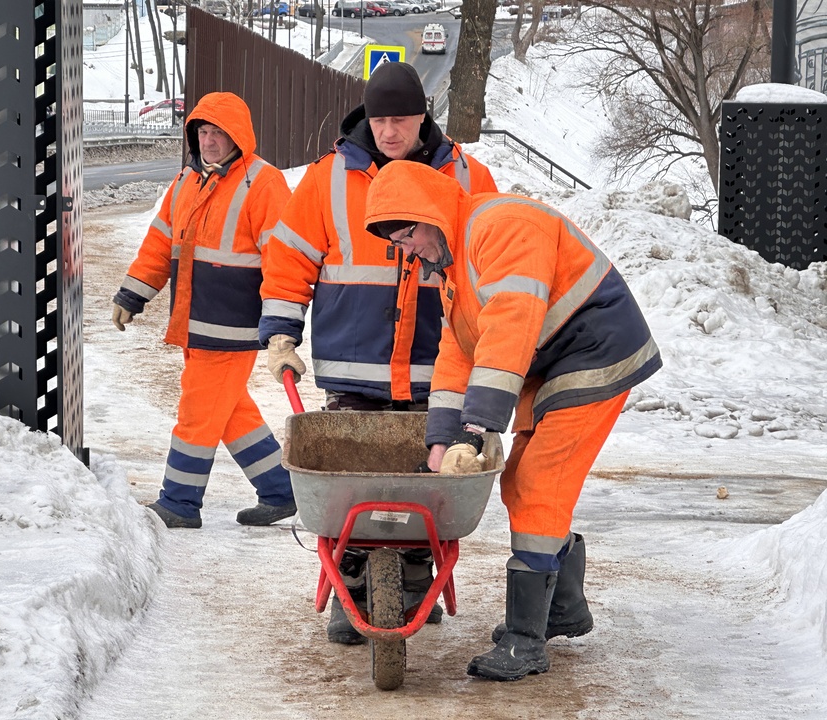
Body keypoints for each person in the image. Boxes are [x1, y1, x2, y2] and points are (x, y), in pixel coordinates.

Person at [364, 160, 663, 681]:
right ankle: (562, 610)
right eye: (397, 242)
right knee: (519, 484)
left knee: (538, 484)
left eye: (407, 234)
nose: (407, 250)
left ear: (431, 213)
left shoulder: (500, 227)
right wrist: (441, 440)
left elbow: (508, 331)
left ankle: (526, 641)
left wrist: (478, 427)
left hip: (594, 351)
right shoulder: (454, 264)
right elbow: (458, 353)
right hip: (555, 362)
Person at [258, 62, 499, 645]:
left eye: (402, 119)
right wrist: (282, 332)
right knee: (352, 489)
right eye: (381, 119)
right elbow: (291, 256)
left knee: (430, 475)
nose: (390, 131)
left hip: (436, 365)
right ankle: (352, 584)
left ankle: (418, 579)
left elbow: (489, 257)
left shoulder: (468, 175)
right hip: (353, 362)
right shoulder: (328, 177)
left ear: (424, 117)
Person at [111, 91, 296, 530]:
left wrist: (279, 324)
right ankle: (281, 489)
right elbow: (160, 244)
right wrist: (132, 294)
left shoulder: (263, 183)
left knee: (197, 412)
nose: (210, 141)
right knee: (229, 411)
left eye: (218, 133)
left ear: (238, 136)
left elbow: (282, 259)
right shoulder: (187, 182)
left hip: (233, 325)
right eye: (203, 132)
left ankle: (179, 501)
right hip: (195, 321)